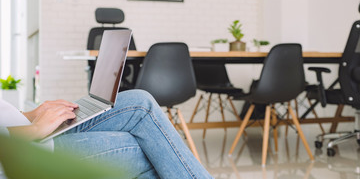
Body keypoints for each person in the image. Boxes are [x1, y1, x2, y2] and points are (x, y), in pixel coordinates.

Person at [0, 89, 213, 178]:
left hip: (26, 132)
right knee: (148, 146)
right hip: (22, 150)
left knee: (141, 101)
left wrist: (31, 115)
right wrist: (35, 129)